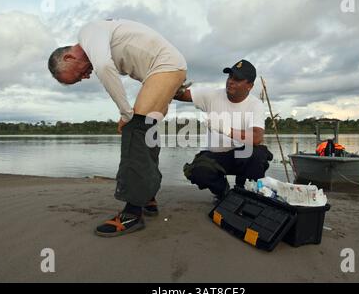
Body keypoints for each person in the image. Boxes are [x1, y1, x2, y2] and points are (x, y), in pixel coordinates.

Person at [48, 19, 187, 237]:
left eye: (78, 75)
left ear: (68, 57)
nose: (85, 77)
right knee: (146, 133)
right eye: (80, 79)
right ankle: (147, 195)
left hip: (165, 66)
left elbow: (103, 66)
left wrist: (126, 113)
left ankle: (132, 213)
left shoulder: (88, 32)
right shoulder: (100, 39)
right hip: (166, 69)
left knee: (134, 128)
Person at [175, 60, 273, 199]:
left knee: (257, 156)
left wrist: (225, 129)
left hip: (241, 156)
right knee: (198, 170)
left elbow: (257, 138)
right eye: (230, 77)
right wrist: (176, 87)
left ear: (249, 86)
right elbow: (180, 95)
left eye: (237, 79)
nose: (231, 82)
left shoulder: (255, 105)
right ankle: (223, 192)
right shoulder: (211, 95)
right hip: (217, 157)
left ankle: (244, 189)